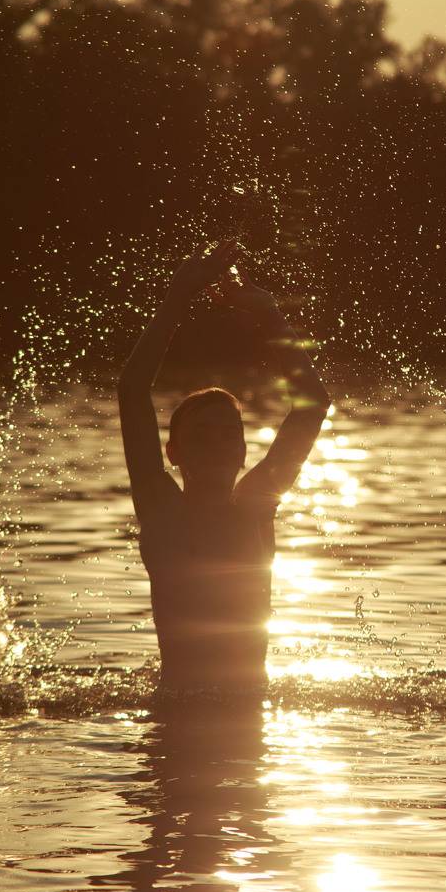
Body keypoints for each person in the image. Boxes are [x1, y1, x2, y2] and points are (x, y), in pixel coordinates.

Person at [118, 239, 330, 695]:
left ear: (242, 451)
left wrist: (270, 315)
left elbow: (313, 405)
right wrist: (177, 298)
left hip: (251, 715)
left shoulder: (256, 506)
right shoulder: (161, 508)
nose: (217, 446)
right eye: (202, 436)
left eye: (228, 435)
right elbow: (132, 389)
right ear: (174, 453)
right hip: (173, 714)